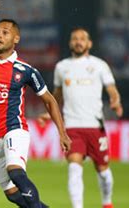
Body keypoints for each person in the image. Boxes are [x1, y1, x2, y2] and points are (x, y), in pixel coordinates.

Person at [0, 19, 71, 208]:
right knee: (11, 193)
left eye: (5, 32)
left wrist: (62, 132)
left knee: (16, 172)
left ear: (16, 38)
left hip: (14, 129)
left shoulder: (26, 70)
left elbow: (49, 100)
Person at [38, 27, 123, 208]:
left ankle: (107, 202)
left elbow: (112, 90)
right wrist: (49, 113)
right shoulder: (62, 67)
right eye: (75, 38)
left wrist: (115, 101)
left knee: (103, 172)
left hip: (94, 126)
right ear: (70, 43)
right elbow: (57, 95)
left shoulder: (100, 65)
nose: (78, 41)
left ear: (89, 43)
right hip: (72, 127)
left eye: (82, 38)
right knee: (74, 168)